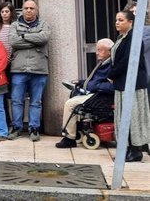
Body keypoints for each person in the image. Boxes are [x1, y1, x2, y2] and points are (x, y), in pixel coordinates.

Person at [55, 38, 114, 148]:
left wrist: (95, 86)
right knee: (73, 93)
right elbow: (94, 80)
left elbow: (112, 86)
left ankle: (69, 138)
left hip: (99, 96)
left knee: (70, 104)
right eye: (97, 50)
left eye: (100, 50)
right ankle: (73, 132)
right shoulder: (102, 63)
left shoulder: (111, 65)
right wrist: (82, 82)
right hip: (93, 92)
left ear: (109, 52)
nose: (96, 53)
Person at [107, 10, 150, 162]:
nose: (117, 22)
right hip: (122, 84)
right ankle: (126, 148)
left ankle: (136, 150)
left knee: (133, 116)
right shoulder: (122, 37)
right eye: (116, 19)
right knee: (123, 116)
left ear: (130, 22)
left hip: (133, 84)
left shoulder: (134, 38)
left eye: (121, 20)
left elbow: (126, 61)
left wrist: (111, 75)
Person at [8, 0, 51, 142]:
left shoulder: (44, 24)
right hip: (19, 68)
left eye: (31, 8)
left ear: (36, 10)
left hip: (39, 69)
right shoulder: (14, 25)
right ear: (22, 9)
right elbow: (14, 41)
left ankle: (34, 128)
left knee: (36, 101)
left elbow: (43, 38)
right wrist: (34, 40)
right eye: (26, 8)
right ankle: (17, 128)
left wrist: (24, 36)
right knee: (16, 100)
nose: (28, 10)